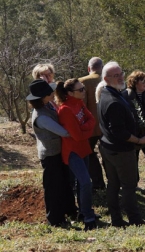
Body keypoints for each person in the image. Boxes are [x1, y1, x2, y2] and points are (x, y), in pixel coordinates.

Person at [98, 61, 145, 227]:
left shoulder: (106, 94)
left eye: (121, 73)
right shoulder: (112, 100)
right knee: (128, 186)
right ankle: (135, 220)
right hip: (120, 151)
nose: (121, 77)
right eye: (116, 75)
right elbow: (119, 132)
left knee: (113, 185)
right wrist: (139, 141)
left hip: (108, 148)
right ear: (106, 79)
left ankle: (117, 220)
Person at [28, 79, 77, 227]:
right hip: (50, 155)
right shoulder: (41, 116)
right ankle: (55, 220)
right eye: (49, 93)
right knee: (53, 188)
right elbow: (63, 132)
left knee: (64, 183)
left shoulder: (48, 106)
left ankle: (70, 211)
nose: (52, 93)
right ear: (43, 97)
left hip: (57, 152)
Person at [55, 79, 97, 231]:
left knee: (82, 183)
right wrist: (86, 129)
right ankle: (88, 217)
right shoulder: (65, 109)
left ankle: (84, 212)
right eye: (81, 90)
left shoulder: (79, 102)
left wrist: (84, 127)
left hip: (83, 148)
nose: (84, 91)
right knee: (86, 182)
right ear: (70, 93)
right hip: (73, 151)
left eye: (83, 88)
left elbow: (92, 119)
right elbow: (77, 135)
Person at [79, 57, 106, 190]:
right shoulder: (109, 80)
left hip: (91, 128)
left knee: (89, 154)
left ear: (89, 68)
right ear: (102, 67)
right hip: (107, 127)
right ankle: (116, 182)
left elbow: (81, 107)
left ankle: (98, 184)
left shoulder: (83, 82)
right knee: (109, 154)